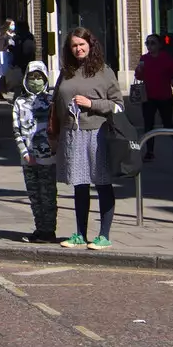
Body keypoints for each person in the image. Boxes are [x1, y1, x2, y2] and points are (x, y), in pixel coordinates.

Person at [52, 27, 125, 250]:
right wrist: (55, 132)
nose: (78, 49)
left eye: (82, 44)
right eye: (74, 45)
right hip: (72, 133)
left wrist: (91, 104)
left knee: (102, 183)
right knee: (79, 185)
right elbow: (56, 103)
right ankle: (80, 235)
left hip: (98, 132)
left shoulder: (104, 72)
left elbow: (119, 106)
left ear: (90, 45)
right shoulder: (66, 72)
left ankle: (104, 235)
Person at [12, 60, 58, 243]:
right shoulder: (19, 102)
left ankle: (49, 230)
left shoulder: (50, 101)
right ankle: (39, 228)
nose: (36, 81)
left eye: (39, 77)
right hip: (28, 156)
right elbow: (16, 130)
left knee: (47, 194)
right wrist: (24, 152)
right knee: (34, 194)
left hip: (47, 156)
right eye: (32, 77)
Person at [136, 34, 173, 160]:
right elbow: (139, 76)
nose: (150, 46)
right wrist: (139, 70)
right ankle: (150, 151)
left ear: (160, 45)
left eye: (153, 43)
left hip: (164, 96)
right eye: (148, 43)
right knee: (148, 124)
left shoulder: (166, 58)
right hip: (149, 96)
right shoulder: (144, 58)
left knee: (167, 122)